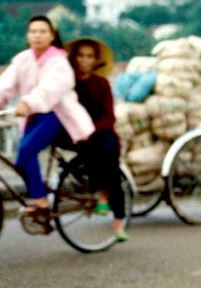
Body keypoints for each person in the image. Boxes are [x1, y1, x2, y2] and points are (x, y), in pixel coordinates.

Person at [0, 16, 93, 222]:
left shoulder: (59, 62)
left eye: (43, 31)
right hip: (33, 116)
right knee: (20, 161)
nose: (37, 35)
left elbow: (50, 90)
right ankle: (40, 192)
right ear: (28, 35)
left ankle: (41, 201)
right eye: (33, 31)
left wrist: (28, 103)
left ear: (52, 36)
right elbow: (5, 86)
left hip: (57, 114)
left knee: (26, 150)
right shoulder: (23, 59)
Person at [66, 38, 128, 241]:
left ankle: (118, 223)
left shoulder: (101, 84)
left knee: (111, 166)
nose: (85, 60)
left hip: (102, 132)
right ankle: (99, 192)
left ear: (95, 60)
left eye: (89, 56)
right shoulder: (68, 84)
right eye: (81, 56)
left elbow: (109, 115)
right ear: (75, 59)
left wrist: (92, 130)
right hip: (77, 134)